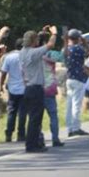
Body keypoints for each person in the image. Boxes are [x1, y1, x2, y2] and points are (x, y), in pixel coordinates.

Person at [19, 25, 58, 153]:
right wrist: (54, 33)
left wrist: (42, 33)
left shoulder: (23, 52)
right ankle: (32, 145)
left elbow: (39, 47)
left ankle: (34, 142)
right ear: (33, 41)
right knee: (36, 119)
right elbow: (50, 45)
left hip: (28, 87)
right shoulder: (33, 53)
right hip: (36, 88)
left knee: (33, 118)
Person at [39, 31, 64, 147]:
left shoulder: (32, 53)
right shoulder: (51, 54)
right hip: (49, 87)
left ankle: (39, 138)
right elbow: (64, 56)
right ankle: (55, 138)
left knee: (37, 116)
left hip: (37, 88)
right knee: (53, 115)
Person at [0, 38, 27, 142]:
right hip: (24, 88)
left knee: (11, 112)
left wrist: (1, 85)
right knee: (22, 112)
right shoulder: (26, 57)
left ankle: (9, 134)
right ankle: (21, 134)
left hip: (12, 88)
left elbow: (3, 73)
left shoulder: (9, 57)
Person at [64, 29, 89, 137]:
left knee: (69, 104)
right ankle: (76, 127)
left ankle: (69, 127)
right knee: (76, 104)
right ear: (78, 38)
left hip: (69, 78)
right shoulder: (78, 48)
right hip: (78, 78)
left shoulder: (66, 49)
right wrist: (85, 42)